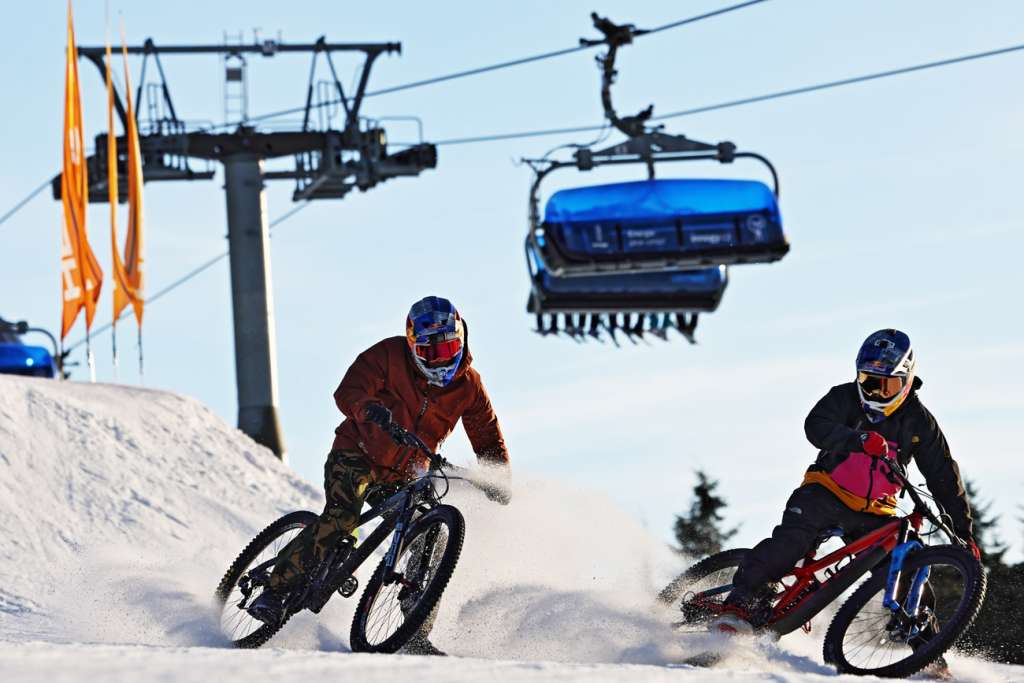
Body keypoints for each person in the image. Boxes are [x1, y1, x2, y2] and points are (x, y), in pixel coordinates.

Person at [248, 295, 510, 625]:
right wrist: (368, 408)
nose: (441, 360)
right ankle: (274, 590)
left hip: (405, 472)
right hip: (356, 454)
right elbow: (350, 389)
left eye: (447, 348)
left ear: (461, 339)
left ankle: (415, 627)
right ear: (414, 345)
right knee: (342, 519)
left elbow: (486, 432)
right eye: (431, 352)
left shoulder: (469, 386)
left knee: (431, 532)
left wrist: (498, 478)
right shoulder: (388, 355)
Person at [712, 329, 978, 635]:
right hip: (824, 494)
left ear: (906, 381)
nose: (877, 392)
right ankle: (739, 602)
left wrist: (962, 531)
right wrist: (858, 438)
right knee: (790, 545)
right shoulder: (844, 397)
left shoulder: (920, 421)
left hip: (875, 513)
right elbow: (816, 427)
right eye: (868, 382)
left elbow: (943, 475)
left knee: (906, 569)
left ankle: (923, 643)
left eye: (887, 384)